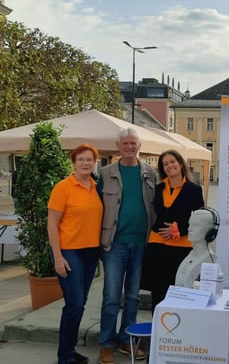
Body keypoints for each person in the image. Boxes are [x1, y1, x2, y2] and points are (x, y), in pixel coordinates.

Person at [97, 128, 156, 364]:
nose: (130, 147)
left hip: (141, 244)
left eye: (133, 143)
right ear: (118, 146)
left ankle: (126, 339)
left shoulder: (150, 173)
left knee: (133, 297)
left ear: (139, 146)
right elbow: (96, 208)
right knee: (112, 296)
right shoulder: (106, 173)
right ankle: (106, 344)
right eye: (126, 143)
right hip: (115, 244)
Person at [47, 144, 103, 364]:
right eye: (81, 159)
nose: (85, 163)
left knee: (79, 303)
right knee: (75, 303)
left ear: (95, 162)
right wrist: (58, 256)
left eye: (89, 159)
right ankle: (65, 356)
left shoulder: (96, 188)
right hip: (69, 251)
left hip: (90, 252)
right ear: (74, 163)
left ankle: (69, 351)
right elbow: (52, 224)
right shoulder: (63, 187)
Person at [140, 150, 204, 311]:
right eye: (165, 164)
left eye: (172, 162)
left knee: (178, 290)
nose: (170, 166)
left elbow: (200, 220)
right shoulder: (158, 189)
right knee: (158, 292)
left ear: (180, 164)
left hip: (181, 247)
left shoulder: (194, 189)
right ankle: (158, 324)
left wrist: (178, 229)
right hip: (157, 246)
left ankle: (176, 324)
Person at [175, 207, 218, 288]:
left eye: (196, 225)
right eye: (190, 224)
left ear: (210, 230)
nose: (189, 229)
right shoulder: (191, 254)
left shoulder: (208, 257)